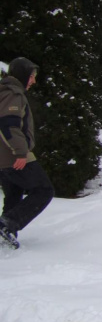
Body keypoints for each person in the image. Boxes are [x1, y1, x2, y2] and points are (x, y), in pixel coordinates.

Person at [0, 57, 55, 249]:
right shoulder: (13, 94)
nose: (33, 81)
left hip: (4, 157)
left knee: (14, 195)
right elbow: (8, 125)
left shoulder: (6, 91)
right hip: (13, 156)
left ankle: (5, 235)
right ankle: (7, 224)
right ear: (23, 75)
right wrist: (21, 152)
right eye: (31, 76)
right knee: (44, 190)